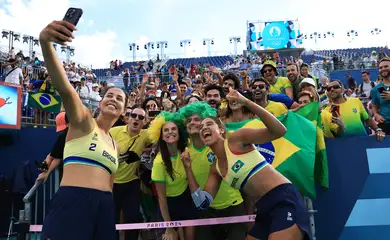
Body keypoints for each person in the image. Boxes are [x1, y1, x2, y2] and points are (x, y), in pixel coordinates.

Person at [181, 88, 311, 240]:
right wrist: (188, 169)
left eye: (209, 124)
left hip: (283, 198)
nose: (204, 128)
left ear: (221, 129)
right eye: (201, 127)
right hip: (263, 207)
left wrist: (246, 102)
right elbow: (202, 203)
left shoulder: (237, 139)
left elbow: (279, 131)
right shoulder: (215, 168)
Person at [39, 20, 127, 240]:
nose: (114, 100)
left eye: (120, 98)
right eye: (109, 95)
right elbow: (66, 90)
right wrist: (46, 43)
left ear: (123, 109)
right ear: (100, 102)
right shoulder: (84, 121)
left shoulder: (114, 144)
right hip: (74, 202)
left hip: (105, 207)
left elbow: (111, 181)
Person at [179, 102, 247, 240]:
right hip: (207, 210)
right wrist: (188, 168)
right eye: (189, 120)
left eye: (197, 119)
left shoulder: (219, 144)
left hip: (234, 207)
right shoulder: (185, 151)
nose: (192, 122)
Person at [149, 111, 198, 240]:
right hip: (169, 205)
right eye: (166, 130)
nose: (170, 132)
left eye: (173, 129)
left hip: (186, 200)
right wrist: (169, 227)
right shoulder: (159, 162)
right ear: (161, 136)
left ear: (179, 132)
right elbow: (162, 198)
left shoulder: (185, 150)